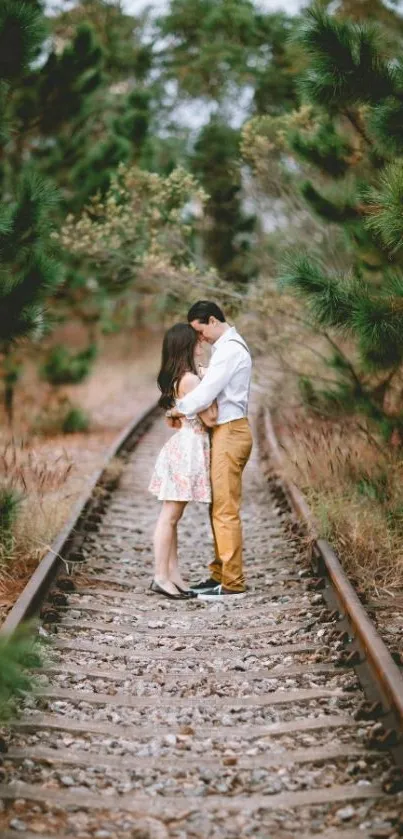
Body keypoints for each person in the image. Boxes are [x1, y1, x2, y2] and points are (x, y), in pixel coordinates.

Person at [168, 301, 253, 598]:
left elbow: (206, 394)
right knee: (218, 507)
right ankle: (220, 574)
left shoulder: (229, 350)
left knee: (225, 510)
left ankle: (232, 583)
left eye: (199, 330)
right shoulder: (225, 349)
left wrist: (177, 410)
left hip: (230, 432)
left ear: (212, 320)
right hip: (226, 433)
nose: (199, 338)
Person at [148, 323, 217, 599]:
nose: (201, 343)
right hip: (188, 448)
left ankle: (173, 574)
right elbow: (210, 418)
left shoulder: (183, 377)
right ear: (187, 346)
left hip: (184, 445)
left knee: (173, 517)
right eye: (196, 340)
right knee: (170, 516)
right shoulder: (190, 379)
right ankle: (160, 576)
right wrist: (210, 385)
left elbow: (178, 415)